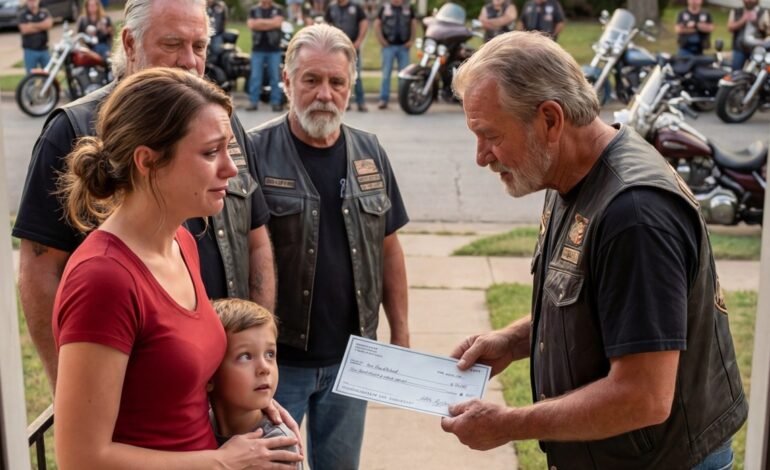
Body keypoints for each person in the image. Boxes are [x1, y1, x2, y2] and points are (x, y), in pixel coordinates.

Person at [441, 31, 747, 469]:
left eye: (490, 135)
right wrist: (511, 341)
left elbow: (643, 396)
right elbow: (602, 307)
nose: (481, 156)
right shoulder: (567, 171)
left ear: (550, 120)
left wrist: (508, 424)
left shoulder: (635, 214)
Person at [12, 0, 276, 396]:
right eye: (172, 44)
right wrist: (68, 388)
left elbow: (255, 236)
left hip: (224, 382)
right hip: (137, 391)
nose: (189, 61)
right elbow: (39, 270)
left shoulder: (218, 120)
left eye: (199, 46)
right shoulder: (75, 129)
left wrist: (256, 357)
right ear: (130, 43)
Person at [53, 67, 303, 470]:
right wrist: (222, 462)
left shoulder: (182, 242)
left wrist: (251, 404)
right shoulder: (103, 279)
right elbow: (80, 458)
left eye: (228, 149)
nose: (231, 168)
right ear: (148, 161)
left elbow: (173, 386)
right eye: (210, 153)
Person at [248, 24, 410, 469]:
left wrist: (400, 334)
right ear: (287, 80)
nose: (324, 94)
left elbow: (389, 249)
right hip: (278, 365)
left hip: (351, 361)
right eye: (311, 80)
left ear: (350, 86)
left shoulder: (369, 151)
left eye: (336, 82)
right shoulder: (254, 151)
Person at [209, 298, 302, 470]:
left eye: (270, 354)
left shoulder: (278, 444)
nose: (264, 368)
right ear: (209, 375)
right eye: (245, 356)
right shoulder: (199, 423)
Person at [325, 0, 369, 111]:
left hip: (352, 47)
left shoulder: (356, 7)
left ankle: (361, 102)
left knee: (356, 75)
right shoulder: (332, 7)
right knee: (339, 76)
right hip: (337, 48)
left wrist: (359, 41)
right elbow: (327, 24)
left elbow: (364, 23)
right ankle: (344, 102)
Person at [373, 0, 417, 109]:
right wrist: (381, 40)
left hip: (403, 47)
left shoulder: (408, 8)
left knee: (404, 75)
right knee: (386, 74)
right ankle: (383, 99)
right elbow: (377, 24)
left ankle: (403, 100)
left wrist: (411, 40)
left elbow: (413, 23)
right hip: (388, 46)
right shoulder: (384, 8)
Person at [247, 0, 285, 112]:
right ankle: (253, 102)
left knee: (275, 77)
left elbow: (278, 23)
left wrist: (260, 23)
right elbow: (251, 25)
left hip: (274, 49)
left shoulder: (278, 9)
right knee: (255, 77)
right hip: (257, 49)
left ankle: (276, 102)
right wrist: (270, 23)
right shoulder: (254, 10)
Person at [727, 0, 770, 70]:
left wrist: (761, 25)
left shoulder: (763, 12)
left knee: (757, 70)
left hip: (757, 49)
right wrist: (743, 19)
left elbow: (768, 31)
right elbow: (730, 28)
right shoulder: (736, 11)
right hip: (739, 47)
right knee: (736, 69)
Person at [18, 0, 53, 74]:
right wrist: (41, 26)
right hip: (30, 50)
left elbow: (48, 25)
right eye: (30, 1)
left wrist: (32, 25)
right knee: (31, 75)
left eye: (34, 1)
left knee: (48, 73)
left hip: (44, 49)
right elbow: (24, 29)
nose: (32, 3)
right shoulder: (23, 14)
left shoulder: (44, 12)